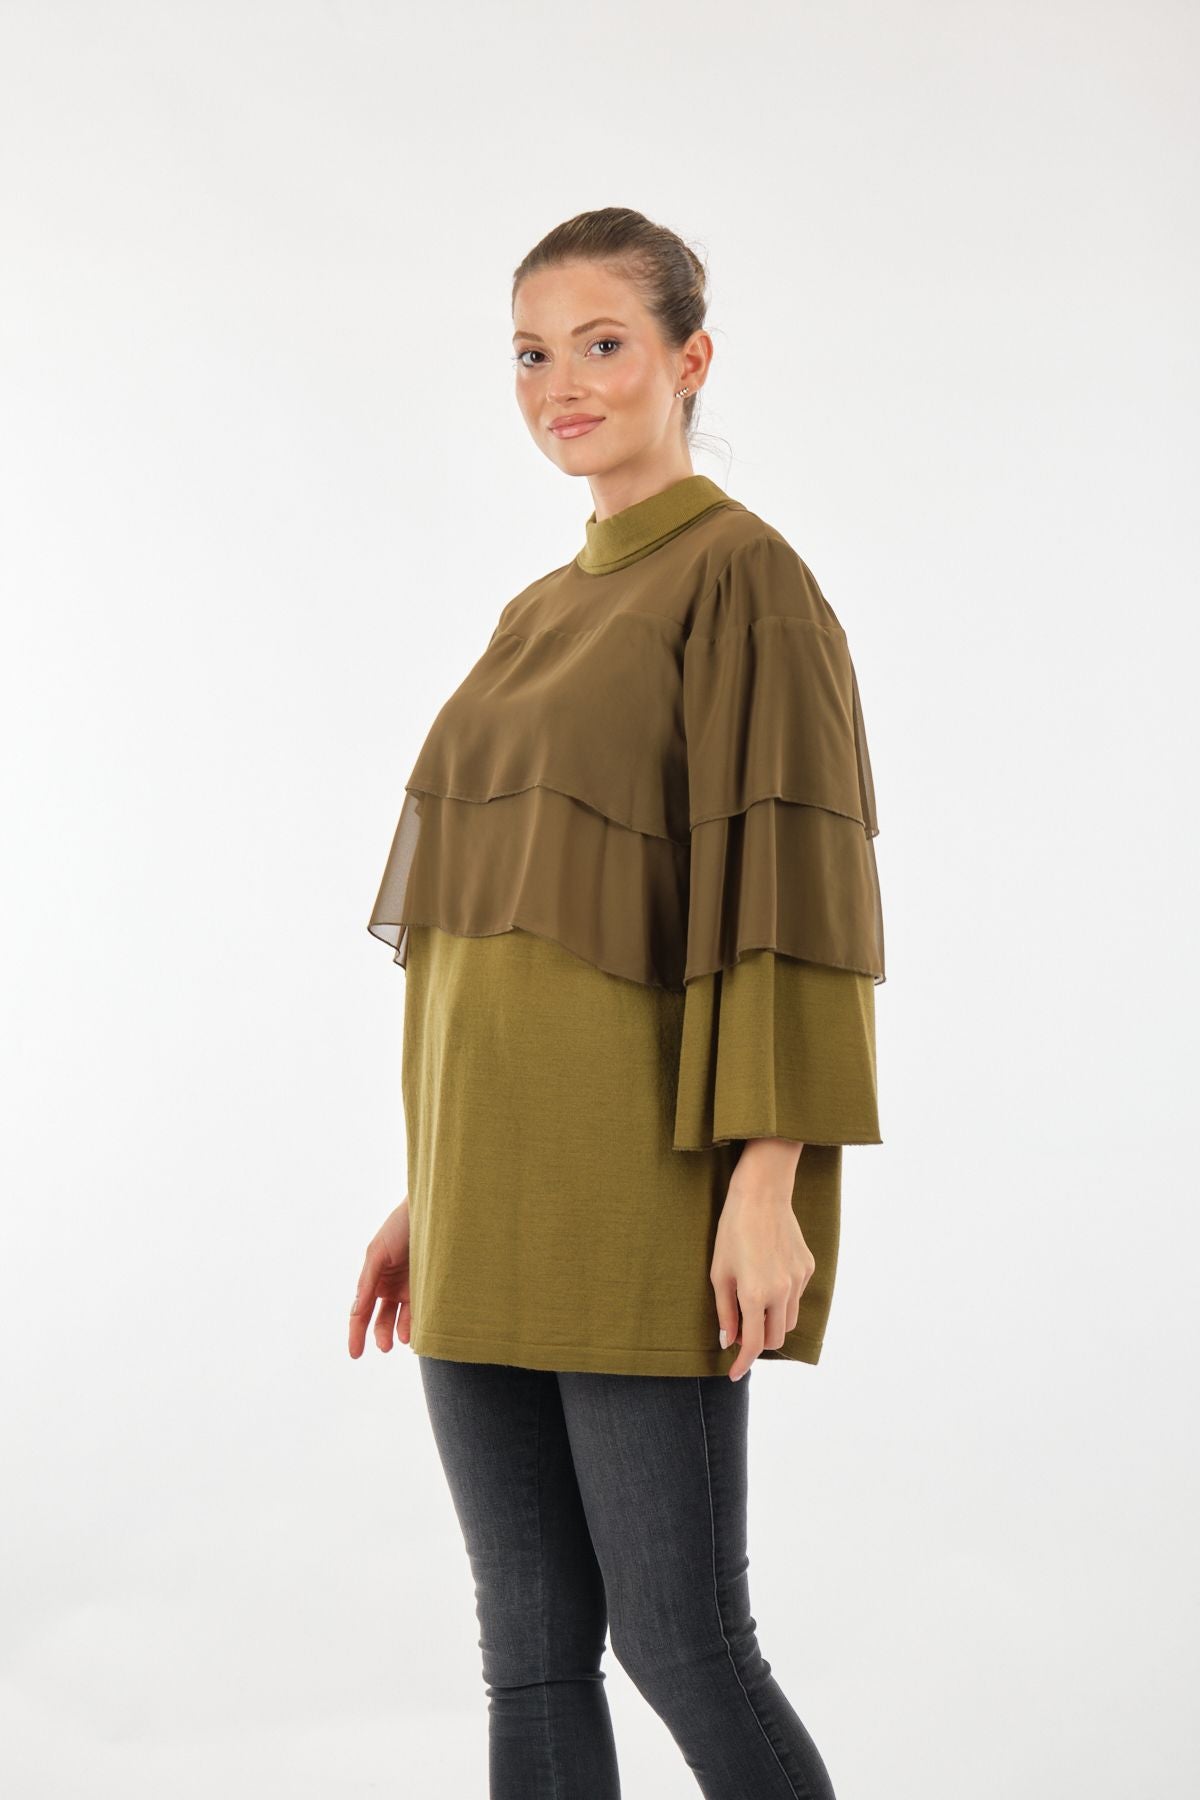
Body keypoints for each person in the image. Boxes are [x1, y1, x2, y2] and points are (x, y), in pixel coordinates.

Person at [348, 205, 886, 1799]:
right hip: (482, 1197)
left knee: (682, 1640)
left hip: (637, 1190)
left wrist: (768, 1181)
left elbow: (793, 897)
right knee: (527, 1646)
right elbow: (503, 928)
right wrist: (428, 1187)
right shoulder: (537, 610)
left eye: (602, 344)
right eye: (532, 353)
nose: (561, 384)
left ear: (688, 359)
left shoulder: (745, 581)